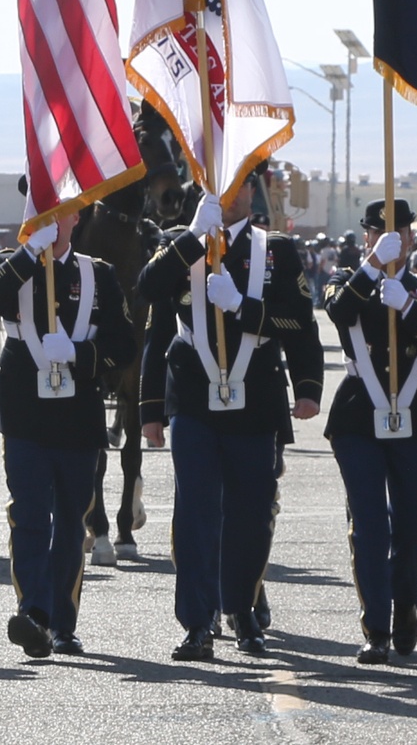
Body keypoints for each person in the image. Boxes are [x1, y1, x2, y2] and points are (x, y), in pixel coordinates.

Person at [138, 175, 323, 661]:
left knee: (251, 512)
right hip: (194, 398)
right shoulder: (179, 243)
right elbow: (149, 301)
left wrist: (306, 385)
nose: (229, 193)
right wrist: (150, 409)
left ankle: (242, 609)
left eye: (239, 183)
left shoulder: (275, 251)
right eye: (219, 183)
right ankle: (198, 623)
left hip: (255, 397)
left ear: (254, 189)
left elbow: (299, 322)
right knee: (195, 512)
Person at [0, 213, 135, 659]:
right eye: (39, 209)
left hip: (77, 415)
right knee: (28, 514)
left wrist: (83, 354)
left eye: (59, 210)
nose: (50, 218)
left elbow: (124, 345)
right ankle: (34, 615)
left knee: (70, 521)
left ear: (76, 216)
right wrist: (29, 254)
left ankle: (64, 623)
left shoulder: (97, 274)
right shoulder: (6, 262)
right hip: (24, 413)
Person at [324, 199, 417, 664]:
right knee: (368, 526)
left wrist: (408, 308)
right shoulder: (346, 280)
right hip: (359, 414)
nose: (390, 240)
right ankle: (376, 628)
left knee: (413, 526)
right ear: (366, 237)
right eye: (378, 233)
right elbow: (340, 313)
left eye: (399, 233)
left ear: (412, 238)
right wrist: (371, 268)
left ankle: (406, 608)